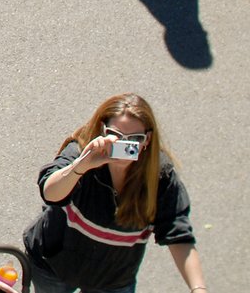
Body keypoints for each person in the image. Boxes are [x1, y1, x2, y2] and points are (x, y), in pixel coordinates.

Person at [22, 93, 208, 293]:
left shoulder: (159, 177)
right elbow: (50, 193)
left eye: (135, 139)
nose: (124, 146)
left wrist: (198, 289)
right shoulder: (81, 152)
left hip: (113, 280)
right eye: (116, 136)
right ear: (102, 130)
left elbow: (178, 233)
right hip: (54, 265)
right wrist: (81, 167)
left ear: (148, 140)